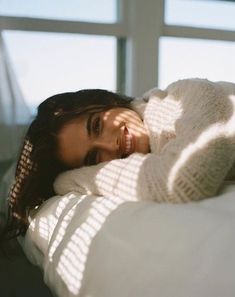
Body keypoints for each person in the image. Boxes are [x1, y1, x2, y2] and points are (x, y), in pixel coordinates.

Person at [1, 78, 235, 242]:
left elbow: (182, 182)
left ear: (107, 102)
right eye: (93, 159)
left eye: (96, 125)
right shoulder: (152, 147)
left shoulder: (188, 97)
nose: (110, 145)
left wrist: (68, 181)